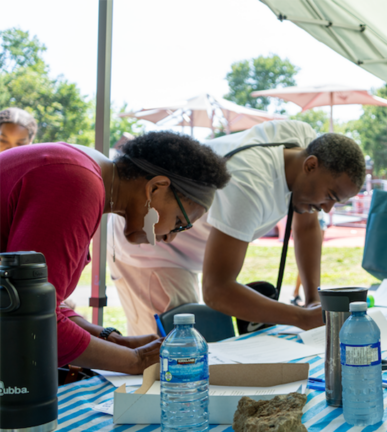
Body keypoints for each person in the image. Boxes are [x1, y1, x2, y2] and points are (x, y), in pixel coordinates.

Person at [0, 133, 230, 374]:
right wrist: (136, 361)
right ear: (155, 188)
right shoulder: (76, 181)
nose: (170, 237)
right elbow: (29, 317)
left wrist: (113, 340)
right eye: (179, 222)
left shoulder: (87, 169)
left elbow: (45, 303)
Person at [202, 121, 365, 330]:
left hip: (215, 240)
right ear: (310, 165)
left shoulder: (304, 143)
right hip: (169, 249)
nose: (327, 209)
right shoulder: (249, 182)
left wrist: (313, 301)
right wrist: (301, 318)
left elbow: (306, 228)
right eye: (330, 196)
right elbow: (216, 290)